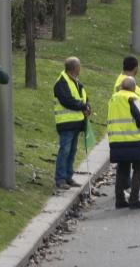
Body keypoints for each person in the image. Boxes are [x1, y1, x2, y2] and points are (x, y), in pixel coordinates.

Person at [107, 75, 140, 210]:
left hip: (117, 140)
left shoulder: (113, 98)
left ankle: (119, 200)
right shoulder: (133, 97)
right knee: (139, 168)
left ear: (122, 86)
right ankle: (134, 199)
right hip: (135, 140)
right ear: (133, 87)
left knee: (122, 169)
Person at [51, 56, 90, 190]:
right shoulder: (61, 83)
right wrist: (83, 106)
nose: (80, 68)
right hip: (66, 123)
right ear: (74, 68)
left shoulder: (77, 82)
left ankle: (68, 176)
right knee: (65, 150)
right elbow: (67, 100)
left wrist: (87, 106)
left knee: (72, 151)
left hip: (76, 123)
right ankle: (60, 178)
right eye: (79, 66)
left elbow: (84, 98)